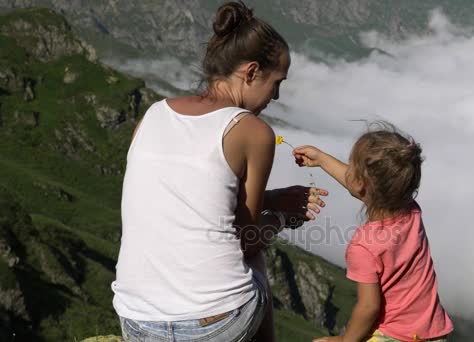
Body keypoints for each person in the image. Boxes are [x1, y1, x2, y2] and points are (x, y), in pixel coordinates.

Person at [111, 2, 327, 341]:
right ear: (251, 72)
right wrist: (284, 217)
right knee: (252, 267)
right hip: (216, 324)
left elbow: (189, 201)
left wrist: (272, 198)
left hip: (137, 320)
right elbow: (247, 239)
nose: (276, 95)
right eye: (276, 83)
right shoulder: (252, 131)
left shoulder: (151, 115)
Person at [294, 123, 453, 342]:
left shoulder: (364, 246)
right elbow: (368, 189)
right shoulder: (411, 210)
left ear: (360, 183)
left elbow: (368, 307)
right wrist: (321, 159)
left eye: (352, 168)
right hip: (435, 332)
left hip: (396, 337)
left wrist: (343, 341)